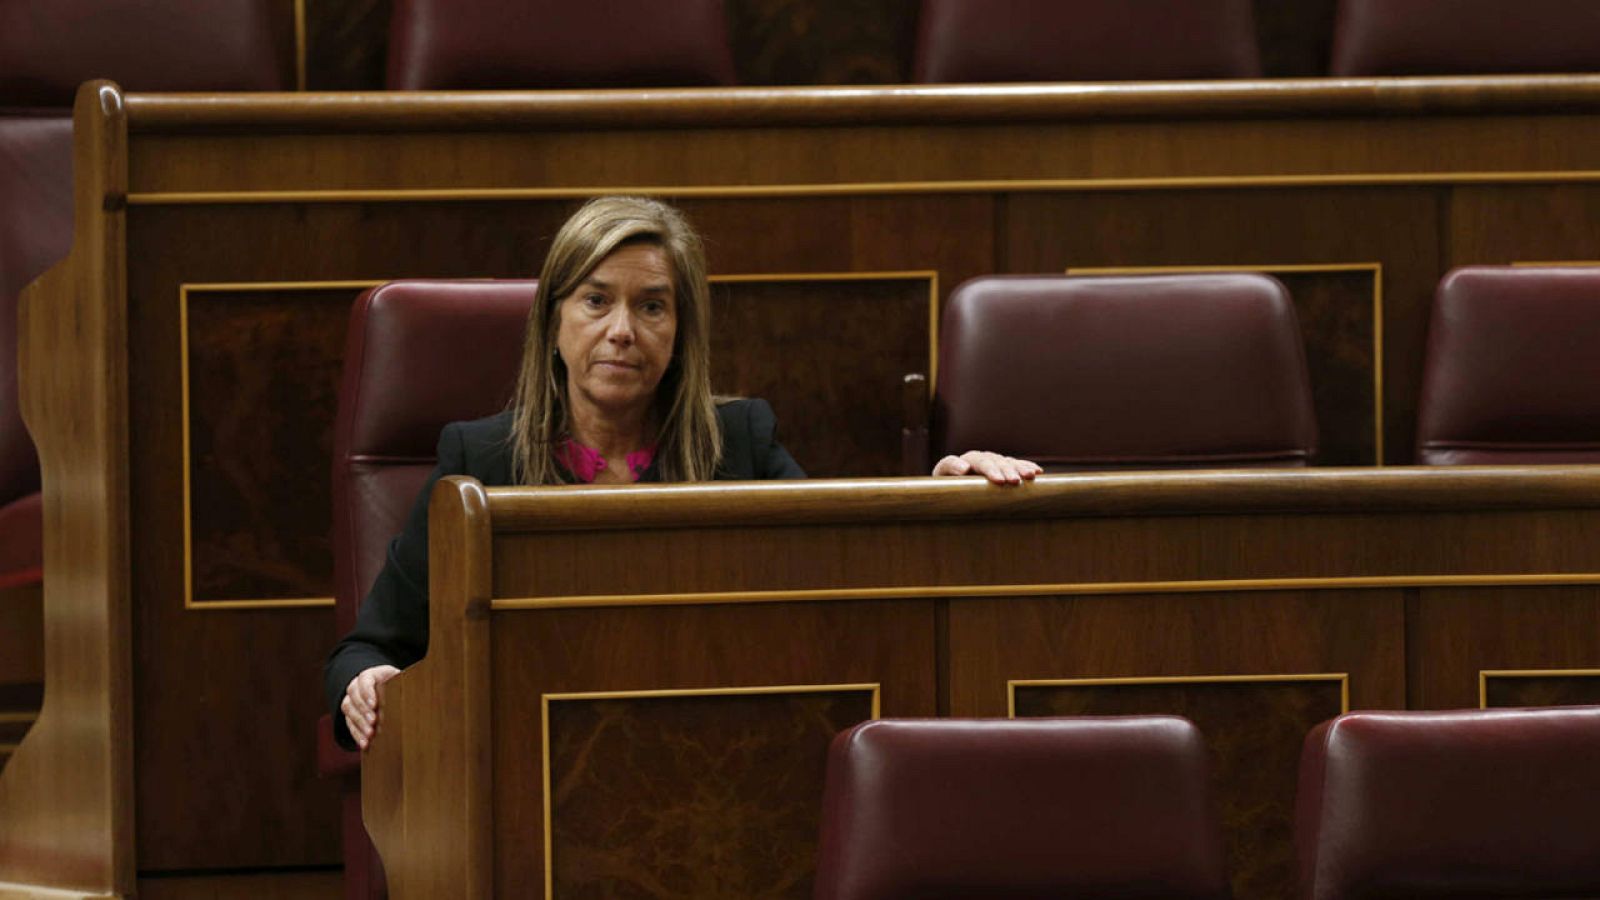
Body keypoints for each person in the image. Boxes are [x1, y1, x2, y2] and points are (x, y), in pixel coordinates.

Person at [326, 196, 1039, 750]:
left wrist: (941, 495)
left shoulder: (740, 444)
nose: (622, 330)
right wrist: (365, 684)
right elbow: (370, 646)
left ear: (680, 334)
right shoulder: (478, 464)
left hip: (714, 756)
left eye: (652, 306)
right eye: (596, 299)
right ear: (553, 323)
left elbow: (852, 576)